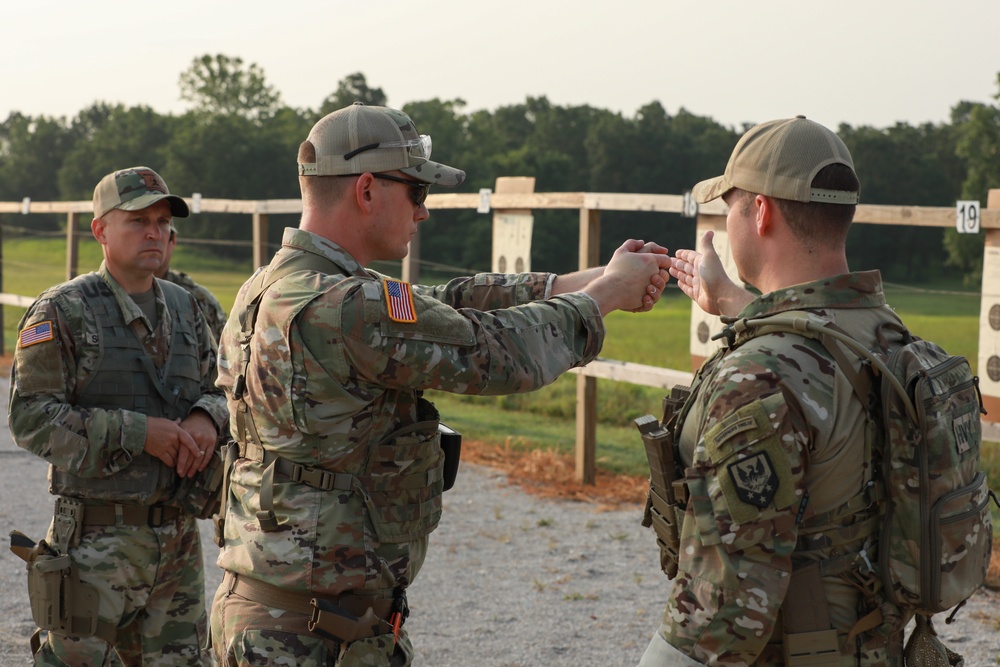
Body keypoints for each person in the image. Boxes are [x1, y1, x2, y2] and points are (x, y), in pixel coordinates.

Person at [210, 102, 673, 666]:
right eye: (417, 193)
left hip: (303, 616)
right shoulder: (344, 306)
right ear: (366, 190)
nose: (423, 212)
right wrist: (604, 298)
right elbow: (496, 353)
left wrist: (588, 280)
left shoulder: (282, 284)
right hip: (311, 636)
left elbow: (443, 304)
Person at [638, 116, 907, 667]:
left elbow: (721, 617)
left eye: (730, 206)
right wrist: (735, 303)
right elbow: (819, 339)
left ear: (760, 211)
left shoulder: (759, 378)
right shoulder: (891, 337)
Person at [8, 166, 228, 666]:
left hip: (176, 546)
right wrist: (139, 433)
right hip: (92, 548)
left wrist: (206, 419)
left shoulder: (189, 309)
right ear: (101, 230)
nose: (154, 231)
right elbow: (31, 418)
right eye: (137, 221)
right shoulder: (63, 311)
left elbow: (224, 390)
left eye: (162, 220)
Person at [156, 223, 228, 343]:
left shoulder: (200, 300)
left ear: (173, 240)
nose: (154, 236)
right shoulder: (116, 295)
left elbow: (222, 353)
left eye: (164, 233)